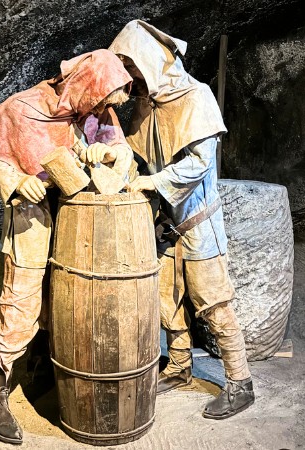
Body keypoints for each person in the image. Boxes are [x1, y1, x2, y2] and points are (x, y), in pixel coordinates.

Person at [0, 49, 133, 445]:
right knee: (22, 295)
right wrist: (13, 181)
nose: (100, 110)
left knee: (63, 294)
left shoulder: (93, 112)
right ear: (84, 87)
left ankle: (42, 365)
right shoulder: (19, 110)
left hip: (78, 217)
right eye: (99, 101)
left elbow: (123, 154)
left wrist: (109, 151)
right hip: (32, 215)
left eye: (105, 104)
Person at [109, 20, 254, 420]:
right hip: (161, 222)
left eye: (134, 68)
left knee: (214, 303)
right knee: (164, 299)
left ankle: (241, 383)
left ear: (151, 62)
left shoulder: (197, 97)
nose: (131, 79)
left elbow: (198, 164)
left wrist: (149, 183)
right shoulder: (144, 104)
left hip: (198, 223)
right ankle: (178, 366)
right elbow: (136, 154)